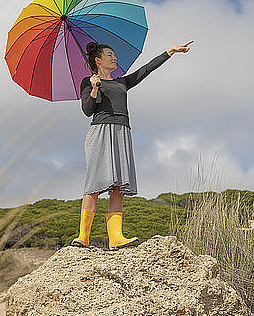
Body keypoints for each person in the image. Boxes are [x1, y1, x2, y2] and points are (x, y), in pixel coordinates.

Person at [71, 39, 194, 250]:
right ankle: (83, 236)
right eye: (110, 54)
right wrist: (93, 89)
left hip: (122, 132)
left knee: (118, 186)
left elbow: (145, 70)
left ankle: (116, 237)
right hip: (100, 131)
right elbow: (87, 110)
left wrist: (169, 52)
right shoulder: (87, 82)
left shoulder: (121, 82)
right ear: (98, 60)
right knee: (93, 185)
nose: (114, 57)